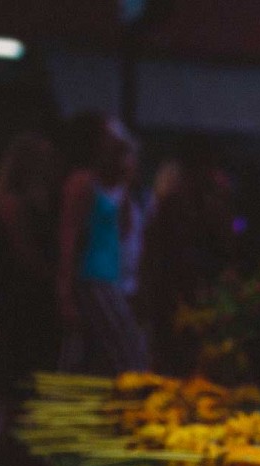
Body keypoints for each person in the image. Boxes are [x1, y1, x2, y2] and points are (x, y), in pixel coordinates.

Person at [55, 112, 148, 373]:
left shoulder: (109, 184)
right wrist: (65, 292)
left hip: (109, 277)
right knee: (129, 352)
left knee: (101, 355)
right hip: (93, 277)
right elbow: (69, 236)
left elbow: (124, 229)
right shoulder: (81, 182)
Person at [139, 139, 236, 375]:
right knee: (173, 358)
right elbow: (154, 252)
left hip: (197, 293)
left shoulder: (208, 204)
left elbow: (225, 248)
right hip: (173, 294)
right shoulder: (174, 205)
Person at [0, 132, 62, 392]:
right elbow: (25, 252)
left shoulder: (28, 199)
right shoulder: (13, 203)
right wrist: (54, 278)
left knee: (28, 370)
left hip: (24, 292)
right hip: (22, 296)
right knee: (27, 368)